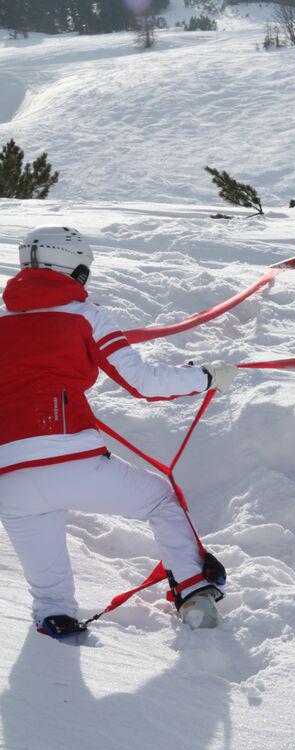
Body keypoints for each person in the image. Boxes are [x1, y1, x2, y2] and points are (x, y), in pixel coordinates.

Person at [0, 226, 237, 639]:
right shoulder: (86, 316)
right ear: (70, 268)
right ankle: (193, 591)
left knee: (50, 593)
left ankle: (56, 621)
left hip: (8, 477)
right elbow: (143, 382)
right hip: (71, 457)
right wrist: (205, 377)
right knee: (161, 501)